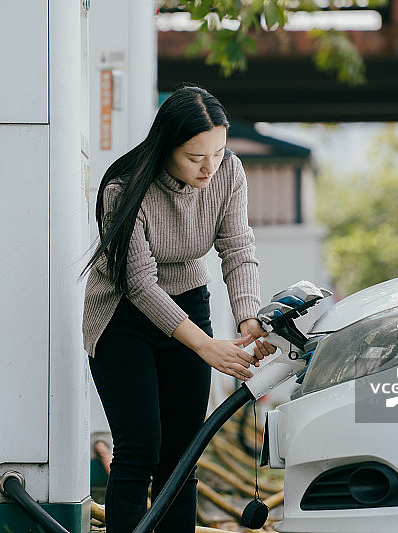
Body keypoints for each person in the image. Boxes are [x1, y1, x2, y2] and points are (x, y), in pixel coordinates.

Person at [82, 85, 275, 533]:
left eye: (219, 152)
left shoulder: (229, 173)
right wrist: (207, 347)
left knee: (183, 452)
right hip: (122, 318)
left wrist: (248, 319)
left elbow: (238, 248)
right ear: (166, 145)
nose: (210, 167)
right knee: (140, 446)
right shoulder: (123, 190)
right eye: (195, 157)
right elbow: (141, 286)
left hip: (189, 301)